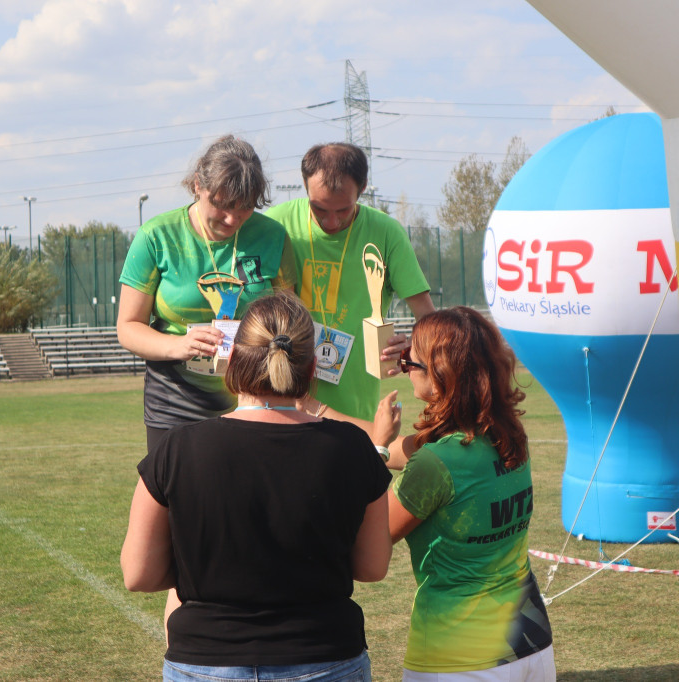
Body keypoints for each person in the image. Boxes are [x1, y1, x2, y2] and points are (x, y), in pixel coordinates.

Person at [121, 292, 393, 682]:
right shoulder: (353, 447)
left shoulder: (178, 448)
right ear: (313, 367)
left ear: (232, 359)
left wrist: (201, 568)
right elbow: (372, 566)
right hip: (326, 657)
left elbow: (139, 574)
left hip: (204, 660)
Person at [372, 307, 556, 681]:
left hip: (459, 658)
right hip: (532, 646)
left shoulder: (435, 464)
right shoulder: (507, 434)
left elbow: (368, 542)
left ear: (439, 378)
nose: (405, 367)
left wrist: (375, 449)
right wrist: (317, 412)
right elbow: (411, 450)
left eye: (411, 361)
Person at [118, 135, 296, 452]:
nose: (232, 218)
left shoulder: (273, 237)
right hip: (175, 398)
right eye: (222, 204)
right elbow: (128, 327)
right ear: (198, 185)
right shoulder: (156, 236)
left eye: (245, 208)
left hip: (254, 397)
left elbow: (289, 321)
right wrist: (179, 345)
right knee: (175, 498)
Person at [266, 142, 435, 423]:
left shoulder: (385, 233)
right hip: (280, 405)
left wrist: (409, 350)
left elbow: (429, 318)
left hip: (354, 413)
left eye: (343, 210)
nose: (331, 222)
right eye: (319, 209)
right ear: (304, 186)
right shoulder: (273, 225)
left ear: (364, 187)